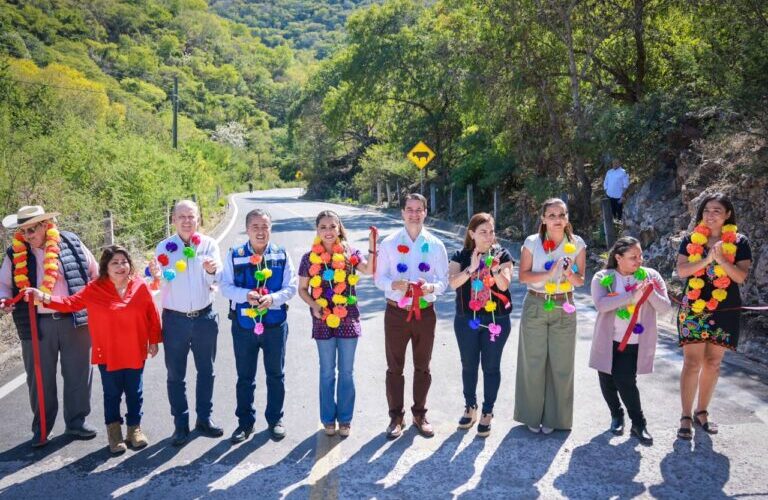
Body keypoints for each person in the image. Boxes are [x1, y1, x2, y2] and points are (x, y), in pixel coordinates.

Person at [26, 245, 161, 454]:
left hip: (135, 349)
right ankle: (114, 434)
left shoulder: (140, 285)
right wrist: (43, 297)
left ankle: (134, 429)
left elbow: (152, 315)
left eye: (124, 262)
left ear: (130, 265)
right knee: (112, 394)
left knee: (135, 393)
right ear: (105, 267)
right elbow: (70, 303)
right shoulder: (94, 289)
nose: (120, 266)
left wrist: (154, 341)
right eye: (114, 262)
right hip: (108, 352)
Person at [1, 205, 98, 447]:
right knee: (39, 378)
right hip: (36, 324)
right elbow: (3, 285)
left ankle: (76, 422)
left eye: (32, 229)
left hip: (74, 320)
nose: (27, 235)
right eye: (22, 231)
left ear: (46, 225)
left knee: (78, 373)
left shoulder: (71, 242)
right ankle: (41, 427)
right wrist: (3, 300)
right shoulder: (14, 253)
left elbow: (94, 273)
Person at [676, 192, 751, 440]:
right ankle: (686, 415)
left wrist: (721, 260)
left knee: (713, 363)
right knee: (692, 362)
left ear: (728, 214)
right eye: (707, 210)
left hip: (725, 310)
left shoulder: (739, 242)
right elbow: (683, 271)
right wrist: (708, 258)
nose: (711, 215)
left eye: (717, 210)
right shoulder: (690, 240)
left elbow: (740, 277)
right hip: (694, 309)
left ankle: (702, 411)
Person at [374, 193, 449, 439]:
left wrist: (431, 288)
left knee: (423, 366)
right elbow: (379, 279)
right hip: (396, 313)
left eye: (419, 209)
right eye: (409, 209)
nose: (414, 214)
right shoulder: (389, 243)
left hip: (425, 313)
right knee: (395, 367)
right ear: (402, 213)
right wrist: (394, 284)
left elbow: (443, 281)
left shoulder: (436, 244)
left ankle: (420, 414)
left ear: (425, 212)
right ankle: (396, 417)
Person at [149, 200, 223, 446]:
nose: (187, 220)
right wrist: (155, 274)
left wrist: (212, 270)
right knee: (175, 375)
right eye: (181, 216)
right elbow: (155, 279)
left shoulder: (210, 244)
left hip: (205, 318)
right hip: (175, 321)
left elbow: (218, 276)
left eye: (191, 216)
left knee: (207, 371)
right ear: (173, 220)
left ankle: (204, 419)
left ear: (198, 218)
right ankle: (180, 425)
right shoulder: (164, 247)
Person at [221, 208, 297, 442]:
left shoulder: (281, 254)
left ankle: (275, 420)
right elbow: (225, 287)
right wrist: (246, 295)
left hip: (275, 325)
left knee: (276, 375)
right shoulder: (235, 254)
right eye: (255, 227)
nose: (261, 231)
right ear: (247, 229)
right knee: (245, 377)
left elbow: (291, 287)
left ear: (270, 229)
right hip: (244, 326)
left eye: (265, 226)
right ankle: (245, 423)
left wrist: (272, 299)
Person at [297, 210, 376, 437]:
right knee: (326, 372)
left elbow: (369, 270)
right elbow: (302, 289)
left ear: (339, 228)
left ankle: (345, 419)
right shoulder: (308, 258)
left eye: (333, 226)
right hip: (322, 321)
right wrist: (314, 305)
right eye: (323, 227)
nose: (328, 231)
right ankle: (327, 419)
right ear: (317, 230)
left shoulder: (351, 253)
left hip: (348, 320)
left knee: (347, 372)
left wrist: (372, 245)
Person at [589, 237, 671, 446]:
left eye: (640, 255)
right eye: (633, 257)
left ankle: (639, 423)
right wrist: (631, 296)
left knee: (625, 380)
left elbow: (665, 308)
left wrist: (648, 292)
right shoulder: (602, 277)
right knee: (607, 380)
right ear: (618, 257)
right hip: (608, 340)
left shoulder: (651, 276)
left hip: (635, 342)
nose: (639, 260)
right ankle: (616, 415)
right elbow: (601, 305)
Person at [515, 198, 586, 434]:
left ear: (567, 218)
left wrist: (567, 272)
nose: (557, 220)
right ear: (543, 219)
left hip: (564, 305)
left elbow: (580, 280)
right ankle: (531, 415)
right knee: (533, 362)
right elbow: (523, 277)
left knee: (561, 364)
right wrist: (549, 272)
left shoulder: (577, 244)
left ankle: (556, 418)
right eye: (552, 215)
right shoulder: (532, 243)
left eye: (562, 215)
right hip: (536, 303)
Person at [448, 213, 514, 438]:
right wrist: (472, 267)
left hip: (497, 320)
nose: (488, 236)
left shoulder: (502, 255)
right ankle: (470, 406)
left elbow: (504, 286)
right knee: (468, 365)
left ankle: (487, 411)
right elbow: (453, 283)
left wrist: (495, 269)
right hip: (466, 319)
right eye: (483, 232)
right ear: (472, 234)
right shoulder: (460, 256)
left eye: (491, 231)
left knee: (491, 366)